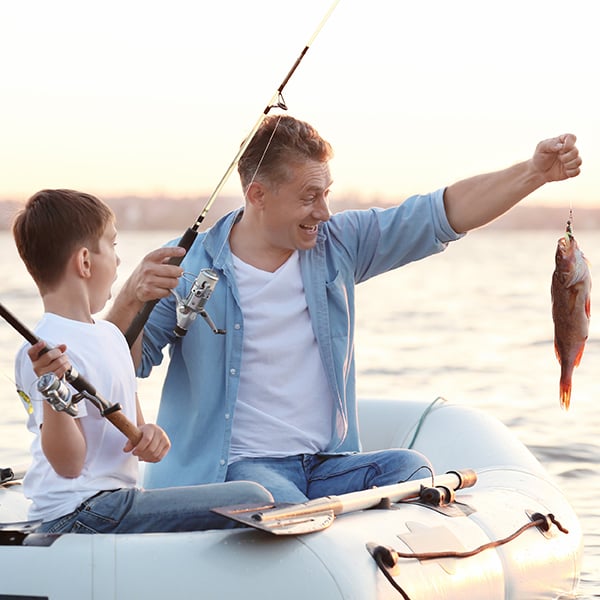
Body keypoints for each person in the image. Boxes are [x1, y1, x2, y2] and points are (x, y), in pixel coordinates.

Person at [107, 116, 582, 504]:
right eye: (309, 197)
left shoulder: (337, 246)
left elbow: (439, 213)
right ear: (258, 195)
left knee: (411, 472)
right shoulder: (187, 265)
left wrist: (535, 172)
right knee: (278, 504)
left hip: (326, 465)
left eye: (327, 193)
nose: (324, 211)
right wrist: (129, 299)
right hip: (236, 470)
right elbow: (120, 368)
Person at [12, 189, 273, 533]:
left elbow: (136, 434)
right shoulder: (42, 353)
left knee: (253, 495)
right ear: (86, 261)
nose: (119, 261)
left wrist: (150, 436)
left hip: (117, 499)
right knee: (250, 496)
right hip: (75, 512)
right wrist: (51, 389)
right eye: (113, 245)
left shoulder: (110, 337)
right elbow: (69, 465)